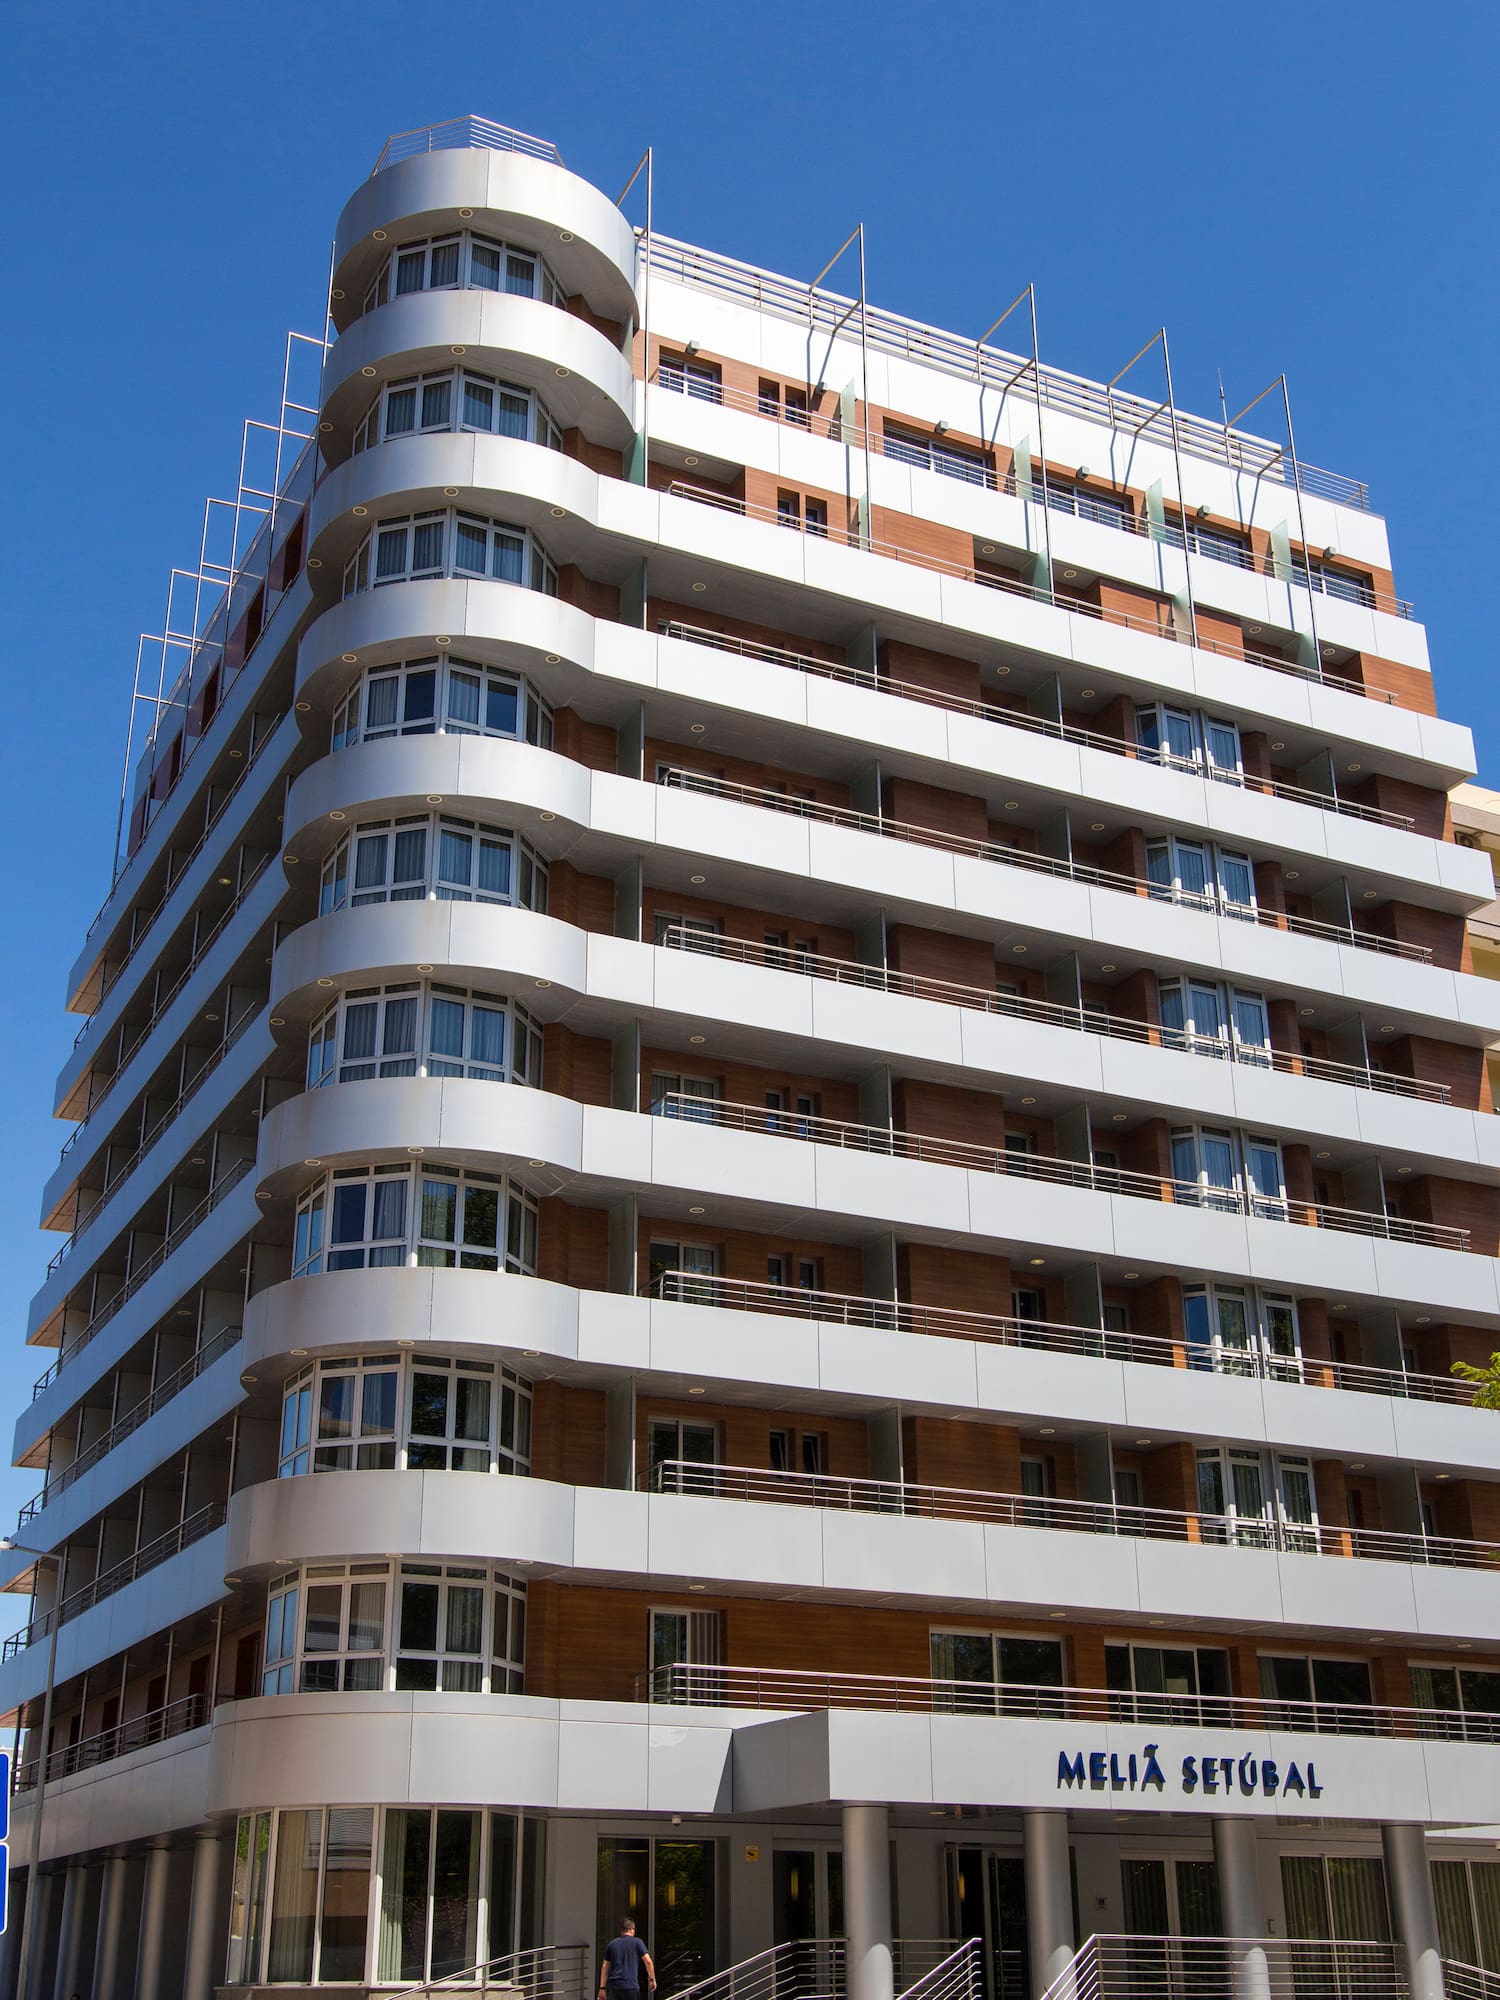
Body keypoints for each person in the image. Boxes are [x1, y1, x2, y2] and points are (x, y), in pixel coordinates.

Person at [598, 1917, 657, 2000]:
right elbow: (648, 1961)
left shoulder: (612, 1944)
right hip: (631, 1985)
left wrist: (602, 1988)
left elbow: (605, 1966)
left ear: (621, 1930)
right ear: (632, 1929)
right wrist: (652, 1979)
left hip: (615, 1986)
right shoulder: (637, 1942)